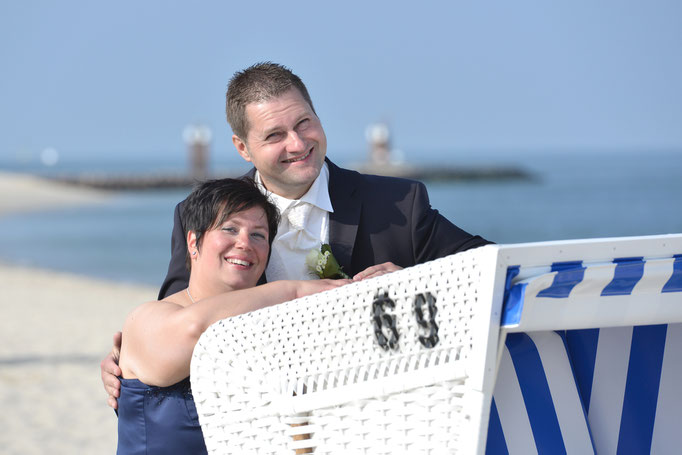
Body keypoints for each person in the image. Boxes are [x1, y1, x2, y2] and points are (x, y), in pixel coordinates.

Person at [102, 62, 491, 408]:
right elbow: (176, 320)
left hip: (379, 417)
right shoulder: (201, 217)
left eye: (304, 123)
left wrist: (413, 283)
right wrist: (128, 362)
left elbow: (492, 268)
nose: (298, 144)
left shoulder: (399, 203)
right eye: (274, 135)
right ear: (243, 148)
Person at [116, 177, 348, 454]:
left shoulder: (265, 328)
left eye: (258, 235)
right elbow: (194, 330)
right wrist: (292, 291)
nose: (244, 243)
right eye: (230, 229)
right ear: (193, 242)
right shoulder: (146, 318)